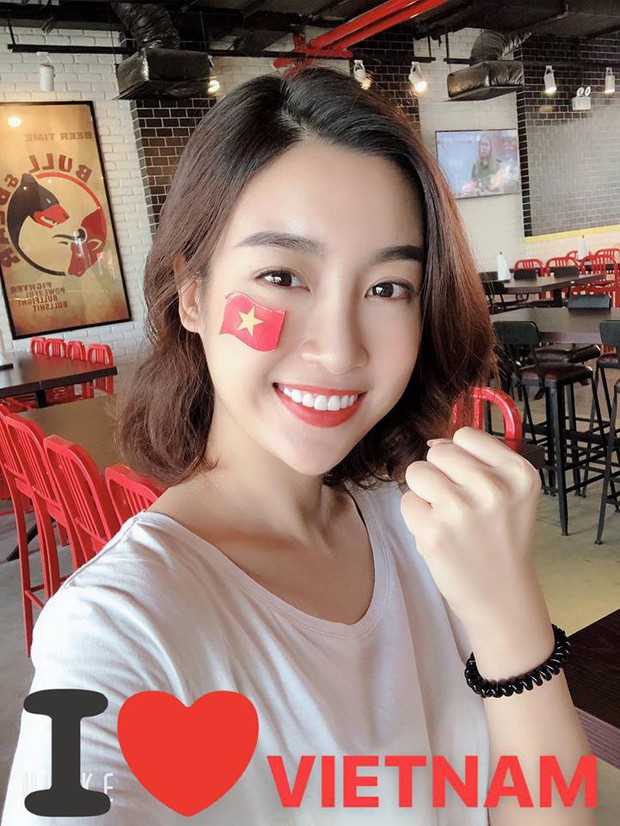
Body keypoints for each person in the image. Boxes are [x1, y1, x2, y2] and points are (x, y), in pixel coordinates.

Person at [3, 68, 593, 825]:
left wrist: (510, 605)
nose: (340, 350)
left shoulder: (424, 528)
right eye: (282, 275)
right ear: (192, 294)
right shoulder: (114, 627)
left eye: (388, 288)